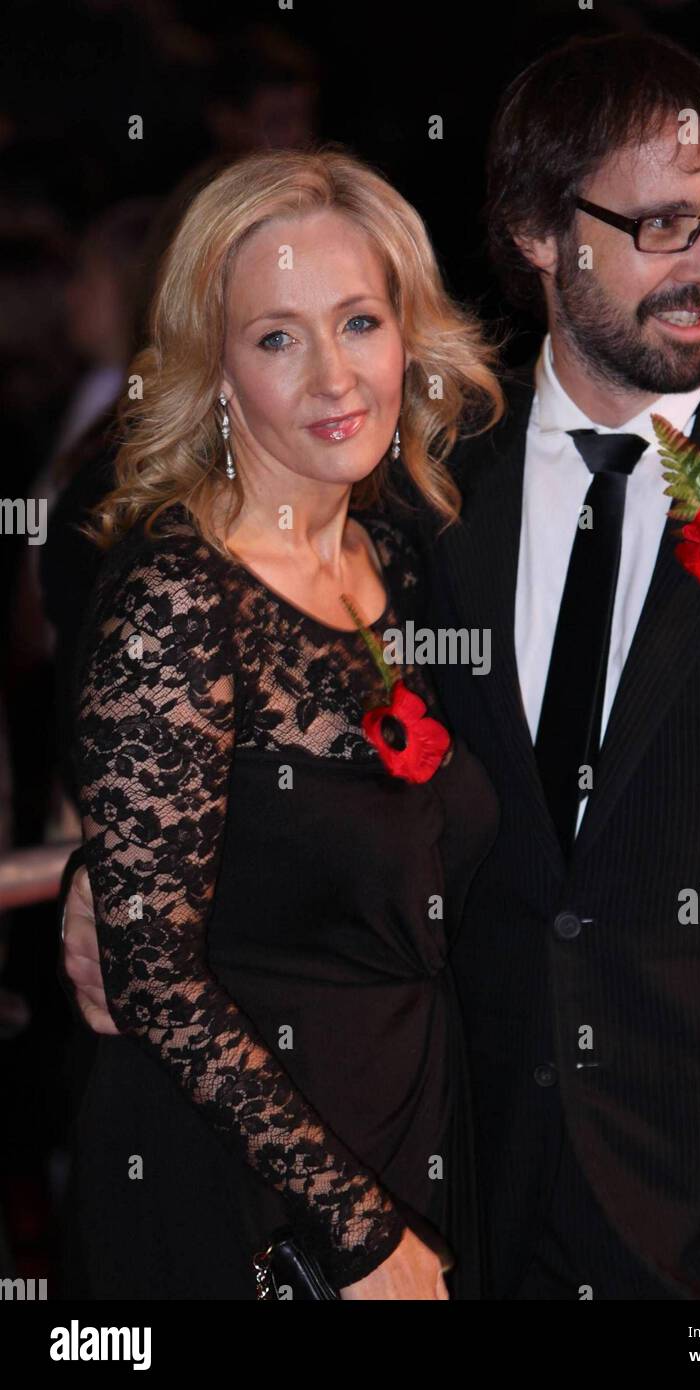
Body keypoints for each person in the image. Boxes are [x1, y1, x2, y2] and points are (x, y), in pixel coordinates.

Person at [62, 32, 700, 1302]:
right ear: (539, 232)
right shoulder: (428, 488)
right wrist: (108, 877)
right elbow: (242, 720)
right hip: (475, 1195)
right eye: (660, 223)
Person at [59, 145, 502, 1300]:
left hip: (407, 1124)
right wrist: (358, 1228)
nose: (331, 378)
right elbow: (151, 976)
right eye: (275, 337)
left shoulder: (397, 555)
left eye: (358, 321)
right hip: (246, 1193)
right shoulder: (178, 600)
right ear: (213, 369)